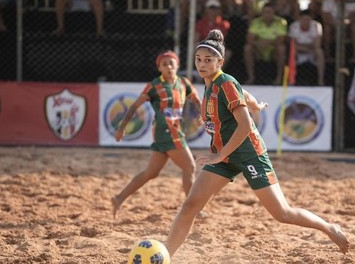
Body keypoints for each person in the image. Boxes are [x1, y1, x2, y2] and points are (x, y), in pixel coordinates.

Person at [164, 29, 350, 258]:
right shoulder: (211, 82)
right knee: (190, 206)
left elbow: (246, 126)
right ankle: (166, 257)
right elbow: (244, 93)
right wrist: (254, 104)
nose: (201, 64)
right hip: (225, 155)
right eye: (198, 59)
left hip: (249, 154)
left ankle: (328, 227)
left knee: (282, 213)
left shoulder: (225, 83)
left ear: (220, 61)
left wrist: (219, 154)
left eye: (208, 60)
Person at [112, 51, 267, 218]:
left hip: (173, 131)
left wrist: (206, 115)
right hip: (165, 131)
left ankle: (119, 198)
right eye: (164, 64)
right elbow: (134, 106)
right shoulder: (154, 86)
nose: (169, 67)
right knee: (189, 167)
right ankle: (194, 209)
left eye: (171, 63)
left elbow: (199, 100)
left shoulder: (183, 83)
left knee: (151, 173)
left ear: (178, 65)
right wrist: (122, 128)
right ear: (159, 68)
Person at [243, 2, 287, 85]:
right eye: (265, 12)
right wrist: (258, 43)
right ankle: (251, 77)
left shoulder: (281, 22)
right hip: (258, 50)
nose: (268, 14)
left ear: (274, 13)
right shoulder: (256, 22)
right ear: (262, 13)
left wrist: (269, 43)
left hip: (273, 50)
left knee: (282, 49)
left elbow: (281, 39)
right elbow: (249, 38)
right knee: (247, 48)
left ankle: (279, 78)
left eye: (270, 12)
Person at [321, 0, 355, 64]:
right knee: (326, 28)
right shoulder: (328, 0)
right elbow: (325, 16)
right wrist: (335, 24)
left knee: (354, 27)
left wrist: (347, 22)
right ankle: (328, 56)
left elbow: (353, 14)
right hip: (332, 23)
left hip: (346, 23)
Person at [288, 9, 325, 86]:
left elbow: (317, 45)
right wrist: (309, 47)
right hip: (299, 53)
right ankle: (291, 80)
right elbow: (293, 45)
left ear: (311, 19)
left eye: (308, 19)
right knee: (291, 52)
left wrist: (301, 46)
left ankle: (320, 80)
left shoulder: (317, 26)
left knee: (319, 52)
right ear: (299, 19)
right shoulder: (294, 26)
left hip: (312, 53)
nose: (305, 21)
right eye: (303, 19)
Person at [195, 0, 232, 70]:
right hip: (204, 46)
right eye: (211, 8)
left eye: (216, 9)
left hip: (218, 48)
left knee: (228, 53)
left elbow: (223, 41)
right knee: (194, 46)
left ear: (220, 10)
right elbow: (196, 38)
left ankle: (216, 73)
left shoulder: (224, 24)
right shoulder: (201, 23)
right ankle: (199, 71)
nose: (213, 11)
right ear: (206, 10)